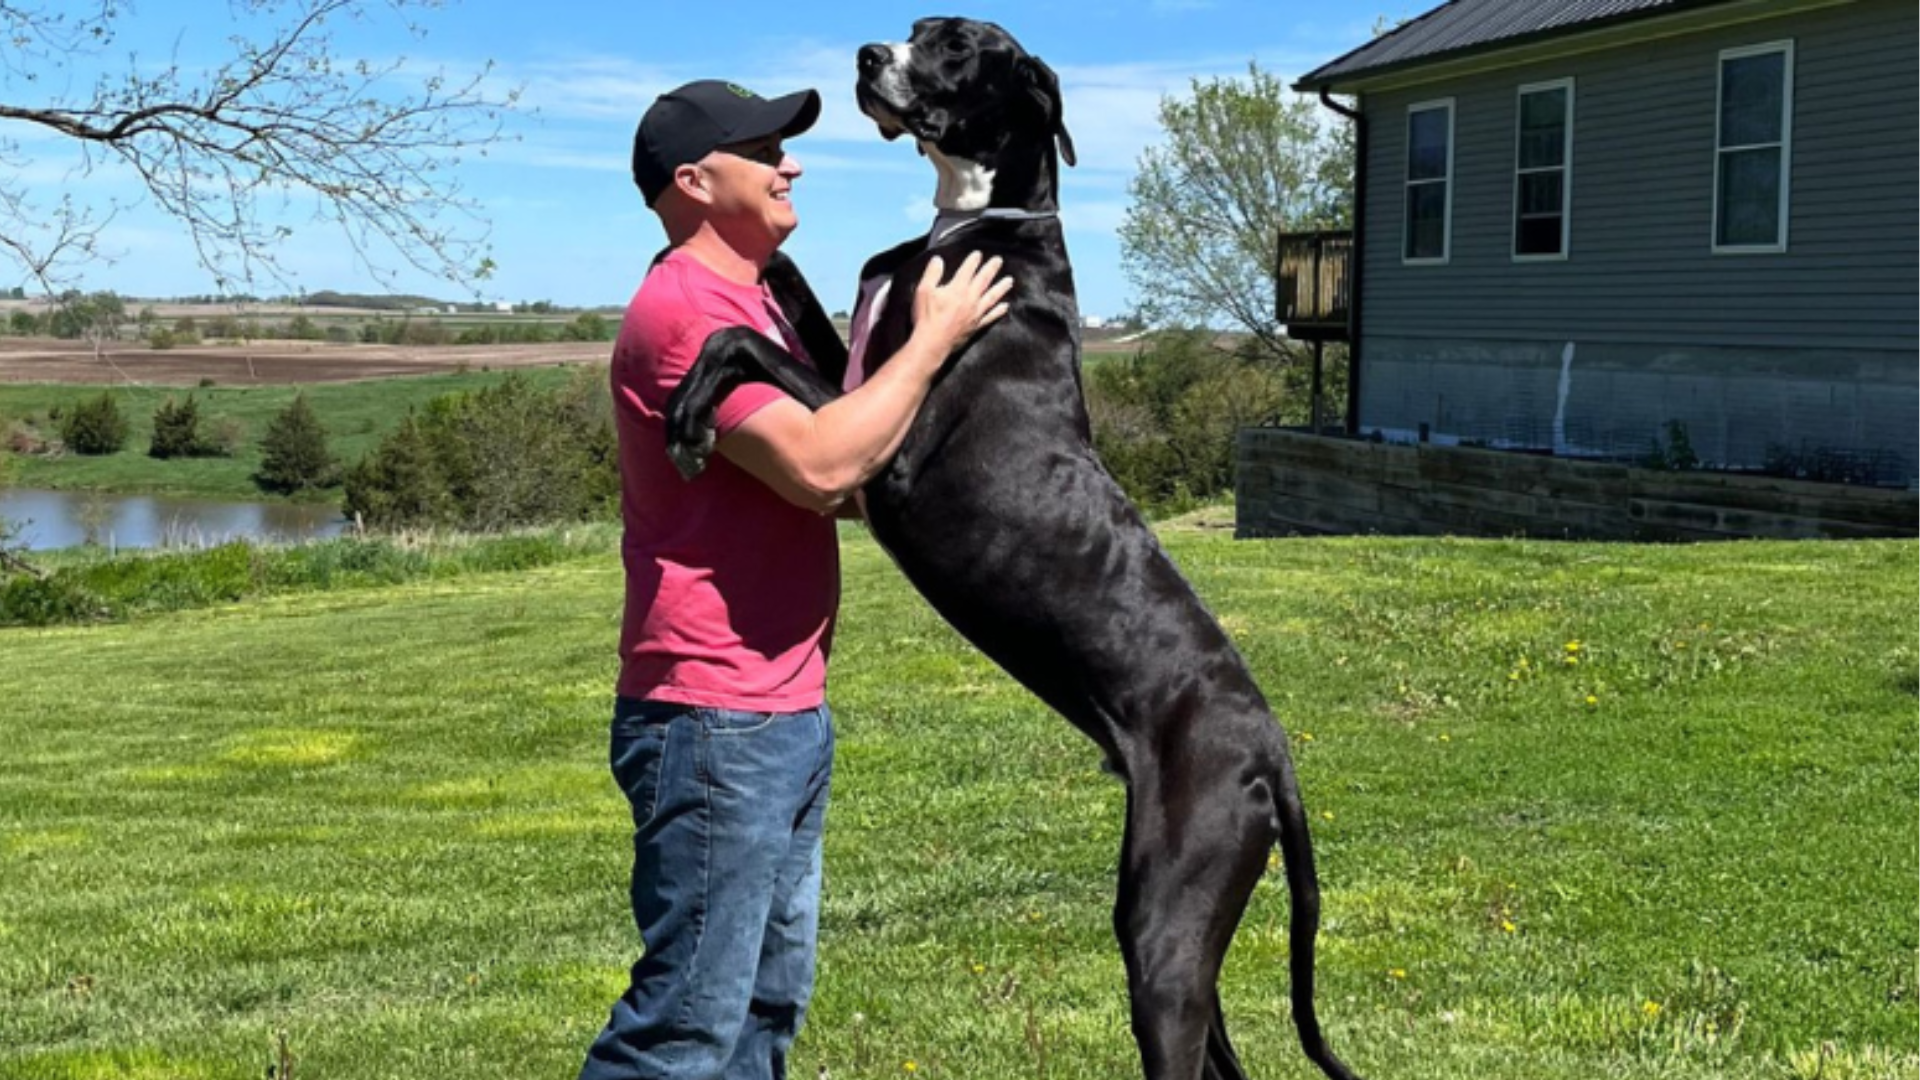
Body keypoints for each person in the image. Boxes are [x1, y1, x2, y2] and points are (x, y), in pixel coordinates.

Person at [580, 80, 1012, 1080]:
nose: (793, 163)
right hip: (712, 714)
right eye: (765, 148)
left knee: (763, 1011)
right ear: (694, 181)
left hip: (780, 707)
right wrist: (936, 336)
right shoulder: (684, 310)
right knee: (685, 1024)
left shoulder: (762, 299)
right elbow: (823, 464)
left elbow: (844, 477)